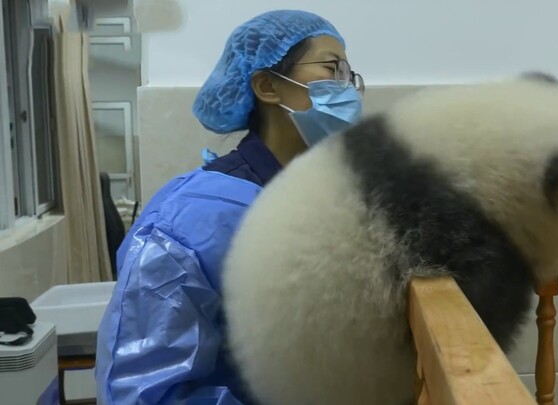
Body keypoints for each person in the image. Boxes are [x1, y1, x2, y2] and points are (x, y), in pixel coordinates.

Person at [95, 10, 365, 404]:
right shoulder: (192, 219)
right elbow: (141, 390)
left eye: (349, 74)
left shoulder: (316, 198)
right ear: (267, 87)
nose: (349, 89)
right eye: (331, 68)